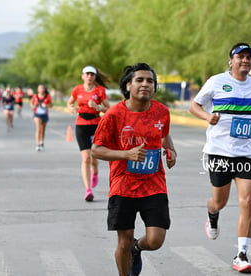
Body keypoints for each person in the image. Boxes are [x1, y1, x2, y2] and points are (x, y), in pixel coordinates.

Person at [189, 42, 251, 273]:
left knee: (247, 201)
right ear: (230, 60)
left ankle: (241, 254)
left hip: (248, 154)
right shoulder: (216, 82)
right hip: (220, 152)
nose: (245, 61)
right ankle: (212, 215)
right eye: (240, 57)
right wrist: (207, 116)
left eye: (249, 58)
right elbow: (194, 106)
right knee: (219, 201)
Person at [91, 63, 177, 276]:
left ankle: (137, 248)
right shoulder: (113, 115)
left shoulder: (162, 112)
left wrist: (171, 150)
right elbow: (96, 150)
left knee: (156, 240)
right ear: (128, 85)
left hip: (154, 185)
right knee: (123, 240)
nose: (145, 84)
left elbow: (164, 135)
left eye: (150, 81)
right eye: (140, 80)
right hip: (123, 186)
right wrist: (126, 154)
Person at [67, 66, 111, 201]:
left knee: (94, 158)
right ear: (82, 76)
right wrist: (72, 108)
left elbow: (108, 109)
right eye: (87, 74)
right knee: (86, 158)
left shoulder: (100, 90)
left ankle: (95, 171)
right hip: (81, 125)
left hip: (96, 125)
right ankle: (88, 190)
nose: (89, 76)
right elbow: (69, 103)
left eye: (92, 74)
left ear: (95, 77)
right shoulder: (77, 89)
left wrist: (97, 107)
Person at [30, 84, 53, 151]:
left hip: (44, 114)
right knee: (38, 128)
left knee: (43, 129)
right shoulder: (35, 96)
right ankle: (38, 144)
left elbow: (51, 105)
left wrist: (46, 106)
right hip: (37, 114)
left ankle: (41, 142)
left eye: (42, 88)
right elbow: (31, 102)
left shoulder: (47, 96)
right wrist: (32, 106)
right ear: (37, 90)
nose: (41, 89)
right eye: (40, 88)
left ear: (44, 89)